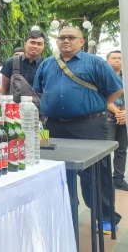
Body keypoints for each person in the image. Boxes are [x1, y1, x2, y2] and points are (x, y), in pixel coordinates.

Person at [34, 26, 123, 233]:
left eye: (71, 37)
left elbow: (116, 89)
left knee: (96, 173)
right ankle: (61, 213)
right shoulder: (47, 64)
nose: (66, 41)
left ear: (81, 42)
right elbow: (38, 91)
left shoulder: (95, 62)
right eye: (62, 37)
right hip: (53, 125)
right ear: (57, 42)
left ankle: (107, 217)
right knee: (54, 171)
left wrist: (95, 105)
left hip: (89, 125)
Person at [106, 50, 128, 190]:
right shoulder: (103, 76)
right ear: (107, 61)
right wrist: (119, 113)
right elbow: (103, 97)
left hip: (125, 119)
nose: (117, 61)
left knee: (122, 149)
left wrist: (125, 113)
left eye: (120, 58)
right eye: (114, 58)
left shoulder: (125, 77)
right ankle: (105, 179)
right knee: (105, 150)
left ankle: (118, 179)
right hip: (107, 118)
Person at [0, 31, 46, 95]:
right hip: (15, 104)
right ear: (25, 44)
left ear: (44, 47)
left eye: (39, 44)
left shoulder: (46, 65)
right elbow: (4, 88)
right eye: (32, 43)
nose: (35, 46)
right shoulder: (11, 62)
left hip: (38, 103)